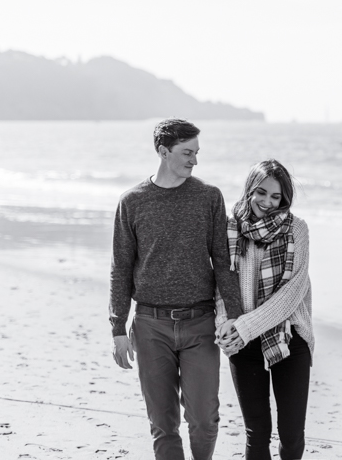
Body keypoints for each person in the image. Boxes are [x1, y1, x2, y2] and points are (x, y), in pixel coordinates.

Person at [109, 118, 243, 460]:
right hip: (149, 326)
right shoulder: (132, 201)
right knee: (162, 423)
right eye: (187, 153)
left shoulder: (209, 197)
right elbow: (121, 268)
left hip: (200, 323)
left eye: (197, 153)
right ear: (162, 151)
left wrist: (236, 317)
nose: (194, 161)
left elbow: (222, 261)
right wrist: (117, 329)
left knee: (204, 418)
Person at [215, 159, 314, 460]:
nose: (268, 203)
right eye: (261, 193)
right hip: (242, 341)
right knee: (256, 433)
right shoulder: (228, 228)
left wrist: (244, 327)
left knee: (292, 433)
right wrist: (224, 324)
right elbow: (220, 283)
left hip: (289, 337)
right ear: (249, 190)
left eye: (276, 197)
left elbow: (293, 292)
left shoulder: (297, 229)